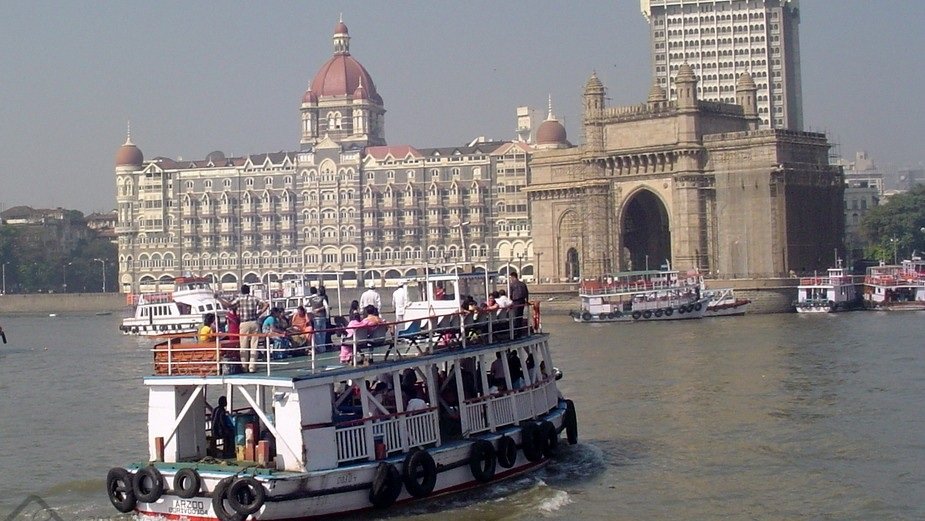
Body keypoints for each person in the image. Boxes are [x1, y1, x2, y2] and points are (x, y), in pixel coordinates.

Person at [220, 285, 268, 373]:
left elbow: (229, 305)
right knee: (254, 345)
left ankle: (244, 366)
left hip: (244, 323)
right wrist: (259, 313)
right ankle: (252, 367)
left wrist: (219, 299)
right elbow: (266, 304)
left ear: (241, 291)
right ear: (249, 291)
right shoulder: (254, 298)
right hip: (254, 322)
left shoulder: (239, 299)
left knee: (244, 346)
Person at [509, 270, 529, 336]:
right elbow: (527, 293)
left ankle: (516, 332)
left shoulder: (512, 285)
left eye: (511, 278)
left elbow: (509, 294)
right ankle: (519, 332)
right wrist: (526, 301)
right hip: (522, 301)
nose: (510, 279)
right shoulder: (523, 284)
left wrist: (510, 301)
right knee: (520, 316)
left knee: (516, 317)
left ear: (513, 277)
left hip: (516, 302)